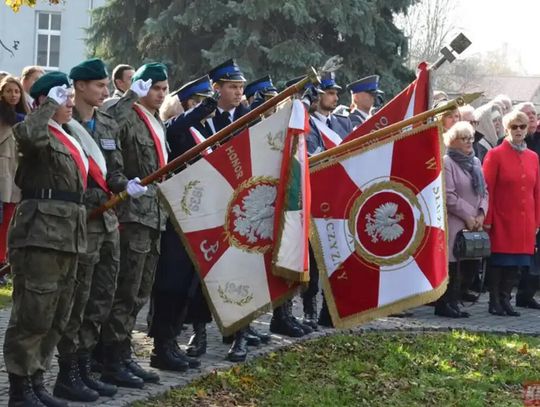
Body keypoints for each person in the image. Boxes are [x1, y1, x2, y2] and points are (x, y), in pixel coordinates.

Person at [52, 58, 148, 401]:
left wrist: (126, 185)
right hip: (81, 222)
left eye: (107, 86)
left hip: (108, 222)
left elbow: (114, 171)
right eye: (99, 86)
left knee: (103, 297)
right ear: (79, 86)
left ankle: (87, 366)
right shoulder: (64, 122)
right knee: (78, 298)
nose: (106, 91)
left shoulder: (105, 124)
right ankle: (68, 372)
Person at [3, 71, 87, 407]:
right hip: (39, 236)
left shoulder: (68, 136)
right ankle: (20, 389)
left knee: (56, 314)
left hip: (68, 235)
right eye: (61, 97)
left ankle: (37, 380)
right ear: (42, 101)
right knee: (33, 313)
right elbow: (27, 135)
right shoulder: (36, 131)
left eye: (68, 97)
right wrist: (48, 103)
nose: (69, 103)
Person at [100, 62, 168, 387]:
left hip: (154, 216)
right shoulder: (124, 113)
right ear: (141, 86)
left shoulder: (157, 122)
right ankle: (111, 358)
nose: (161, 94)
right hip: (131, 215)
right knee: (124, 291)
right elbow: (109, 127)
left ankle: (122, 353)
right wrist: (131, 95)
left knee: (140, 291)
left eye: (164, 89)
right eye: (155, 87)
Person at [148, 75, 217, 372]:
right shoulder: (176, 128)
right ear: (189, 104)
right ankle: (161, 345)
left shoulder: (204, 130)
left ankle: (172, 341)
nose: (206, 109)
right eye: (200, 102)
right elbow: (175, 127)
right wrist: (206, 106)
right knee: (169, 283)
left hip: (195, 215)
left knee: (186, 284)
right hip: (175, 214)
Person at [483, 110, 540, 317]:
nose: (518, 130)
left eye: (522, 127)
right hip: (501, 218)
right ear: (507, 129)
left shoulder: (533, 157)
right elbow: (486, 189)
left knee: (516, 263)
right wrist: (487, 219)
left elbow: (537, 191)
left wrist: (537, 221)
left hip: (524, 221)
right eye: (514, 126)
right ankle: (494, 300)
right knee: (499, 261)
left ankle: (506, 299)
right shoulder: (495, 154)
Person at [437, 122, 488, 318]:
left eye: (470, 138)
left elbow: (485, 191)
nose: (468, 142)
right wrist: (468, 215)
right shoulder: (447, 161)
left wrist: (481, 213)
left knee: (469, 264)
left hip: (475, 222)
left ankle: (456, 302)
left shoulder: (475, 162)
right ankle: (445, 304)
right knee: (452, 264)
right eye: (464, 138)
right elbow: (449, 195)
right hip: (455, 221)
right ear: (453, 141)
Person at [0, 76, 26, 276]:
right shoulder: (5, 116)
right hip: (3, 171)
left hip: (15, 171)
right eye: (8, 91)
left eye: (16, 91)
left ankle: (3, 259)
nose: (13, 95)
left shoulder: (24, 115)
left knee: (10, 218)